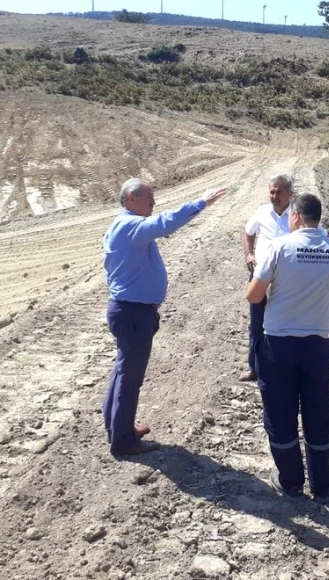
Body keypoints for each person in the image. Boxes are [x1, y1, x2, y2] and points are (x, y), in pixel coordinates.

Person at [103, 178, 227, 456]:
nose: (154, 202)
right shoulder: (129, 226)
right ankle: (123, 441)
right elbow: (164, 223)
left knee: (124, 372)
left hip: (130, 310)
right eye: (149, 196)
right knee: (129, 377)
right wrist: (200, 203)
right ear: (132, 199)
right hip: (133, 312)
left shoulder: (125, 227)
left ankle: (118, 427)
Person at [246, 193, 329, 503]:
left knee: (280, 413)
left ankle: (290, 481)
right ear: (318, 218)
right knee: (317, 413)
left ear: (295, 218)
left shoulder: (279, 247)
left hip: (278, 345)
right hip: (316, 345)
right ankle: (323, 484)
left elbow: (254, 296)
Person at [240, 175, 295, 382]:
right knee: (257, 321)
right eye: (272, 191)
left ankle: (285, 369)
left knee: (287, 323)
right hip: (261, 276)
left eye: (279, 192)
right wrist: (249, 254)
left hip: (287, 279)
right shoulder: (262, 212)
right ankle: (254, 367)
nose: (274, 196)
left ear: (290, 193)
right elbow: (248, 231)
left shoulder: (297, 217)